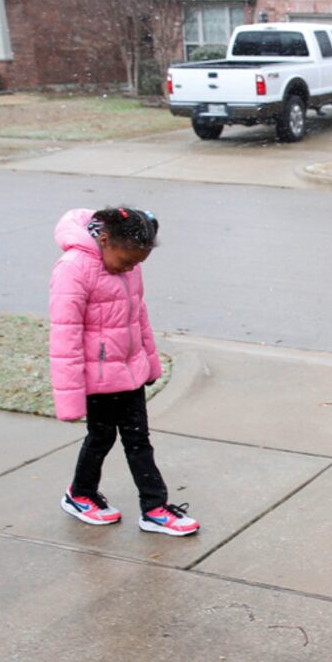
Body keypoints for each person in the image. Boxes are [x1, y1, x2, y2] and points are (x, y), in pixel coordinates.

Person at [49, 207, 199, 537]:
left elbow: (138, 318)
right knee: (101, 437)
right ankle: (80, 495)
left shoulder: (128, 265)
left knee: (138, 440)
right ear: (104, 240)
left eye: (138, 263)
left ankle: (154, 507)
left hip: (129, 372)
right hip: (97, 378)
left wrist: (150, 363)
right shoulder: (72, 270)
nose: (131, 267)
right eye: (127, 261)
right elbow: (65, 337)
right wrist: (70, 400)